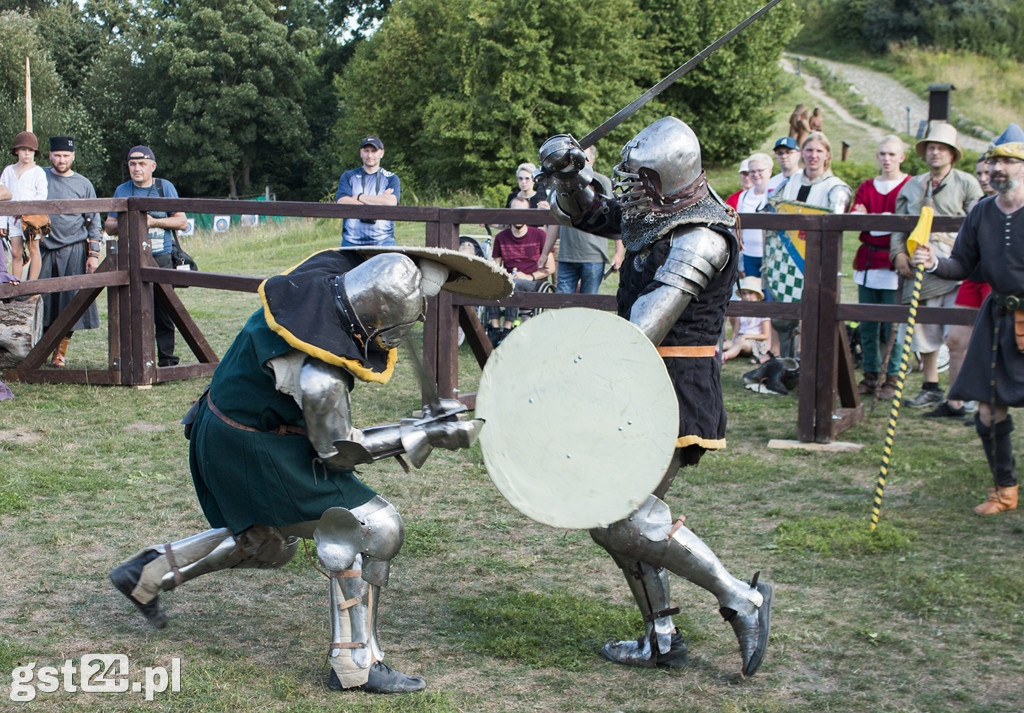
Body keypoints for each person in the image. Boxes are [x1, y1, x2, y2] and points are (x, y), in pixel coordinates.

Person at [109, 246, 510, 692]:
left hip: (229, 425)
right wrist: (419, 433)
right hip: (251, 443)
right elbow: (337, 452)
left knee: (267, 542)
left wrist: (413, 427)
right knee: (375, 526)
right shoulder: (320, 374)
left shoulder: (319, 293)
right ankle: (356, 662)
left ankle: (146, 573)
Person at [537, 116, 772, 677]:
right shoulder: (655, 211)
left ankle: (742, 598)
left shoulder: (702, 235)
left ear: (665, 179)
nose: (632, 189)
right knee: (610, 512)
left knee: (619, 515)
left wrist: (575, 368)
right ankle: (661, 634)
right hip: (635, 381)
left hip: (674, 388)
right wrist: (569, 174)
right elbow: (589, 213)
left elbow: (646, 325)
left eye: (641, 179)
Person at [910, 123, 1024, 515]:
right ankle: (1004, 490)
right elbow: (964, 264)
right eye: (993, 159)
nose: (997, 167)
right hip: (998, 318)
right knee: (989, 409)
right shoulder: (982, 213)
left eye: (1007, 160)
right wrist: (935, 261)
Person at [890, 122, 983, 409]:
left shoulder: (966, 183)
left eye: (941, 148)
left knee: (957, 335)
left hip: (954, 266)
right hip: (918, 264)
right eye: (931, 147)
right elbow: (898, 224)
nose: (935, 153)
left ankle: (961, 393)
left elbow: (978, 223)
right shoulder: (913, 185)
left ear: (952, 154)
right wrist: (898, 255)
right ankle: (931, 385)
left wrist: (961, 257)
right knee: (922, 332)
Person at [925, 155, 1000, 419]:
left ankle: (986, 407)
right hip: (972, 276)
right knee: (955, 340)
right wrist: (936, 261)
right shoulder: (979, 207)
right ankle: (956, 402)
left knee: (993, 343)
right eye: (980, 173)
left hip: (997, 282)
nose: (984, 178)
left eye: (987, 173)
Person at [766, 131, 852, 357]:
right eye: (809, 150)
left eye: (819, 151)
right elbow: (771, 210)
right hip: (787, 259)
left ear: (827, 155)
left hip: (817, 261)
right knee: (784, 317)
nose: (813, 155)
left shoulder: (836, 187)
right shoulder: (790, 182)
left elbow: (835, 220)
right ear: (802, 153)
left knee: (817, 318)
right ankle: (786, 364)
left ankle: (812, 364)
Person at [104, 146, 189, 367]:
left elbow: (181, 221)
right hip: (131, 259)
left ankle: (167, 360)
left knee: (164, 311)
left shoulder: (164, 187)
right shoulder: (122, 190)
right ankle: (133, 359)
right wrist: (129, 221)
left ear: (153, 166)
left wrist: (153, 221)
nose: (137, 168)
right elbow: (109, 225)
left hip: (162, 257)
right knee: (132, 310)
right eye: (132, 164)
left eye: (142, 164)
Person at [850, 135, 912, 401]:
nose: (886, 159)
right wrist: (871, 220)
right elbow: (856, 218)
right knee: (868, 324)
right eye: (882, 154)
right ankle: (871, 374)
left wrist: (876, 220)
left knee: (893, 326)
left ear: (901, 157)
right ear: (877, 156)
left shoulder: (910, 186)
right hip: (868, 261)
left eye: (891, 154)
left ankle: (893, 377)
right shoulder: (867, 187)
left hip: (895, 261)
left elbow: (907, 221)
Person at [39, 136, 102, 368]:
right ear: (50, 156)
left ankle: (59, 352)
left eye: (66, 156)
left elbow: (94, 220)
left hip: (74, 248)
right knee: (42, 300)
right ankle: (40, 350)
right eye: (57, 155)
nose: (61, 159)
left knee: (70, 303)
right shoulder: (39, 177)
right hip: (43, 248)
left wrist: (93, 254)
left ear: (73, 157)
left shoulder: (84, 184)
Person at [537, 145, 623, 294]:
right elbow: (556, 221)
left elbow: (617, 218)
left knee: (588, 306)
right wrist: (545, 253)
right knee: (562, 305)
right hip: (567, 255)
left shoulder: (602, 182)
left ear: (592, 160)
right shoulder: (561, 183)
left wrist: (619, 253)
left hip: (593, 256)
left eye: (585, 158)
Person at [485, 196, 554, 345]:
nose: (518, 215)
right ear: (509, 213)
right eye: (515, 211)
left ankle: (508, 328)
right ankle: (495, 327)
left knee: (514, 283)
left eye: (522, 211)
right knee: (491, 281)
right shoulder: (501, 237)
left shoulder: (540, 235)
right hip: (511, 279)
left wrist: (529, 276)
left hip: (534, 282)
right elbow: (496, 268)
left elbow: (551, 268)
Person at [335, 136, 401, 247]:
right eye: (366, 151)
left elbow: (391, 202)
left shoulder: (391, 178)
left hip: (384, 242)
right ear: (361, 153)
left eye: (374, 151)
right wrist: (378, 202)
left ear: (382, 153)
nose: (369, 155)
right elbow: (342, 201)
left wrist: (359, 196)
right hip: (351, 242)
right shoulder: (348, 176)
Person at [1, 131, 48, 281]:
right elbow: (2, 196)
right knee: (15, 252)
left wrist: (27, 212)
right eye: (23, 150)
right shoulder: (9, 171)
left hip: (31, 219)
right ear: (16, 151)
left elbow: (41, 196)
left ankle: (31, 285)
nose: (27, 154)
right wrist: (2, 221)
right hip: (12, 218)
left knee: (34, 250)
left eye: (30, 150)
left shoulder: (38, 172)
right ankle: (16, 284)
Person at [735, 153, 773, 281]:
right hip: (749, 254)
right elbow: (738, 224)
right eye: (752, 171)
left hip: (770, 255)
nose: (756, 175)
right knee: (751, 295)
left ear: (769, 171)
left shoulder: (774, 195)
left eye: (760, 170)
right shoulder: (744, 196)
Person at [722, 276, 771, 364]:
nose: (747, 296)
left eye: (750, 293)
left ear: (757, 295)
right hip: (740, 338)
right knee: (726, 344)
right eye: (744, 293)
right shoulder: (741, 311)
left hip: (756, 342)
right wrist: (733, 340)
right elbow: (736, 330)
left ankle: (724, 356)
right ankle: (714, 352)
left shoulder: (762, 311)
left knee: (741, 343)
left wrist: (746, 336)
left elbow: (765, 335)